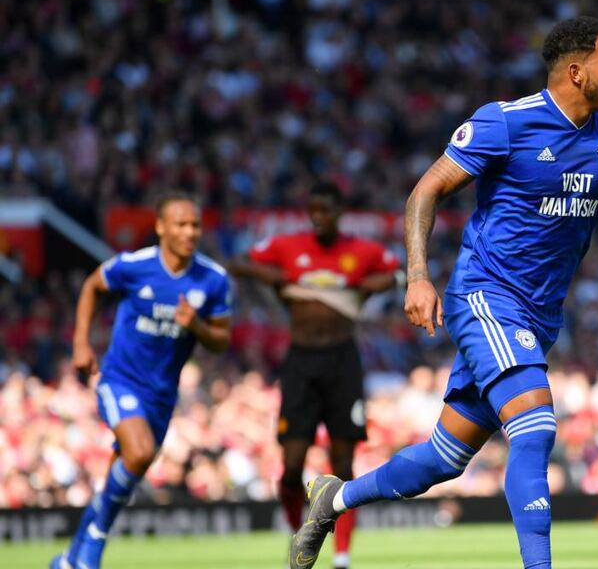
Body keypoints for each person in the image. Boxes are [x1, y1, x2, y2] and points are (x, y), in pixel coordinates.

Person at [288, 16, 598, 569]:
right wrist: (419, 275)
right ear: (576, 70)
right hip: (485, 297)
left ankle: (334, 498)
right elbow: (426, 191)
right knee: (536, 426)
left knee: (442, 460)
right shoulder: (506, 123)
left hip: (539, 317)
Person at [52, 191, 232, 569]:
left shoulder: (213, 280)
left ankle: (69, 561)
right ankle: (93, 552)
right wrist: (81, 342)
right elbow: (92, 286)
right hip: (120, 379)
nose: (190, 231)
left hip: (162, 396)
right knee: (139, 452)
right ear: (160, 227)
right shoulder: (136, 266)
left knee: (122, 479)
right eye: (181, 224)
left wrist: (196, 325)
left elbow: (221, 340)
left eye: (195, 224)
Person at [229, 183, 398, 569]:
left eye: (326, 210)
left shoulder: (363, 251)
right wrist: (276, 281)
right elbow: (239, 262)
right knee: (291, 464)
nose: (319, 217)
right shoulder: (286, 247)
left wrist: (358, 287)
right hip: (300, 362)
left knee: (343, 463)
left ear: (340, 212)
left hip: (342, 360)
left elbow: (395, 275)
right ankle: (298, 533)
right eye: (314, 210)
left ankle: (341, 556)